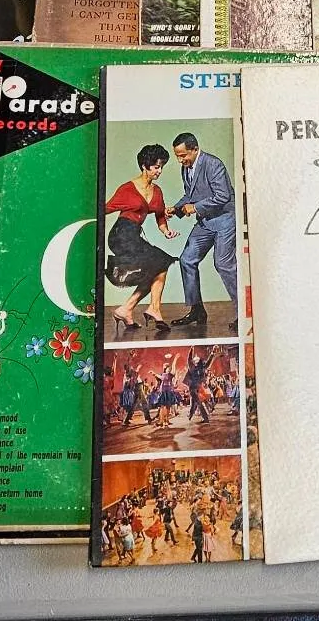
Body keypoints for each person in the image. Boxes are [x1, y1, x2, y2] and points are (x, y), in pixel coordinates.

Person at [166, 132, 238, 327]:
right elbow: (190, 195)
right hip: (206, 222)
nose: (180, 160)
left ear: (195, 149)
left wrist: (195, 208)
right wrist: (176, 209)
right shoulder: (186, 168)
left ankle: (244, 312)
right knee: (187, 260)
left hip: (225, 221)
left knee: (223, 264)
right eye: (177, 156)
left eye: (183, 155)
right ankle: (197, 310)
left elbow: (223, 196)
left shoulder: (213, 164)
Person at [105, 143, 179, 331]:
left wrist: (166, 231)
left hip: (135, 235)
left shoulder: (157, 191)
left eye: (161, 167)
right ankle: (142, 309)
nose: (159, 171)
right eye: (156, 167)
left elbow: (160, 216)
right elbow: (104, 209)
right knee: (159, 262)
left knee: (160, 267)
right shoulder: (127, 189)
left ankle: (132, 309)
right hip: (121, 235)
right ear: (144, 166)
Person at [184, 347, 216, 423]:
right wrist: (191, 350)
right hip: (192, 388)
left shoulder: (201, 368)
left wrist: (212, 353)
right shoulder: (191, 367)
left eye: (197, 359)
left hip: (198, 387)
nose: (196, 360)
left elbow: (208, 362)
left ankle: (191, 415)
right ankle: (205, 418)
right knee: (198, 402)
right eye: (195, 359)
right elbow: (189, 358)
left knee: (195, 402)